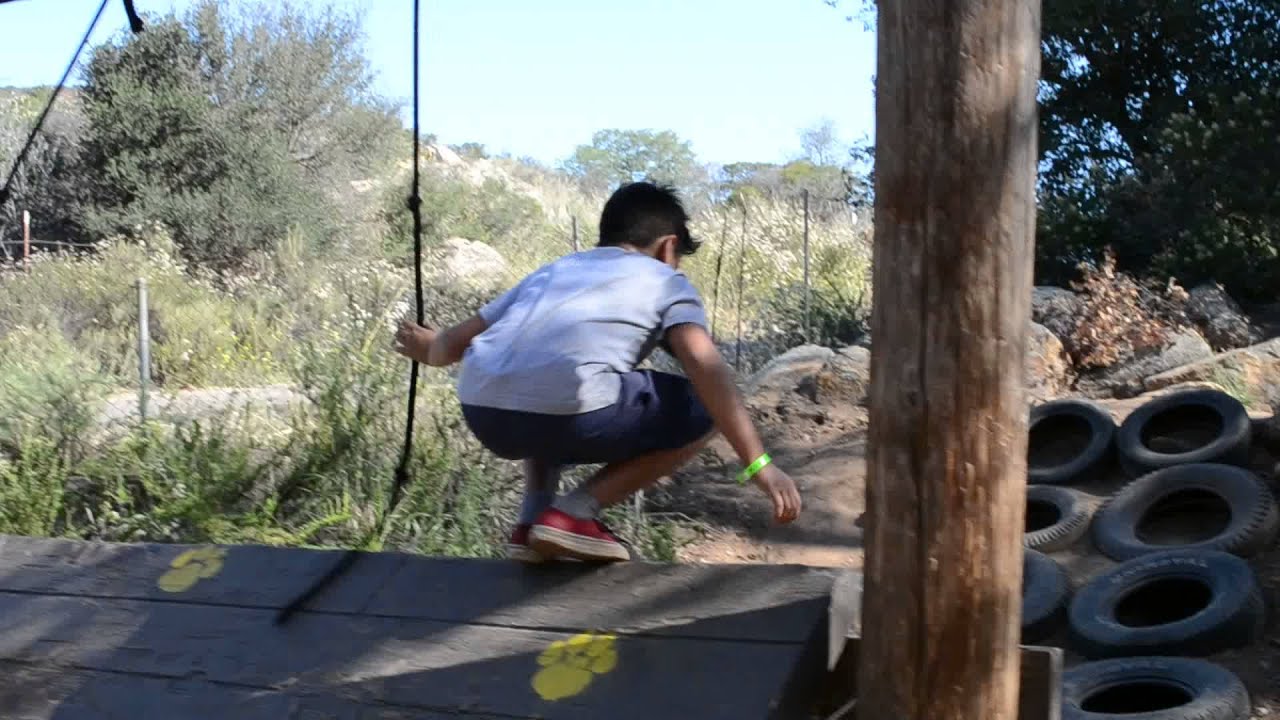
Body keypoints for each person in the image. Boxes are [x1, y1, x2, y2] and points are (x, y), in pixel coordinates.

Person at [393, 181, 801, 563]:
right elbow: (703, 363)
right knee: (706, 407)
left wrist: (425, 346)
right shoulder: (667, 281)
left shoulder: (555, 270)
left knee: (547, 379)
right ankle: (575, 512)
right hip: (570, 409)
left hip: (482, 410)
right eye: (678, 259)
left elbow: (447, 347)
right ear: (668, 247)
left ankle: (531, 522)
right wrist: (758, 463)